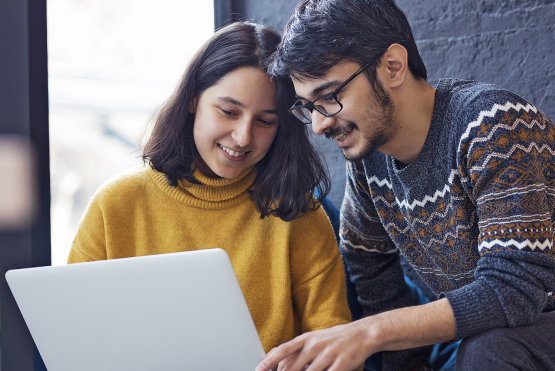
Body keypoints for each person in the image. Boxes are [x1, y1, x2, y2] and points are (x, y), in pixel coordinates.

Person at [256, 0, 555, 370]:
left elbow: (516, 289)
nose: (319, 125)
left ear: (393, 67)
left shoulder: (494, 125)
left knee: (490, 350)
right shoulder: (370, 156)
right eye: (308, 106)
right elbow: (368, 262)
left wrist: (369, 333)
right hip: (492, 337)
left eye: (330, 97)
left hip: (528, 327)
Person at [67, 21, 353, 356]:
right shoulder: (114, 206)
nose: (243, 137)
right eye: (228, 111)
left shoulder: (298, 214)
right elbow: (74, 340)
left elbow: (336, 352)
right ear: (192, 99)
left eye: (264, 121)